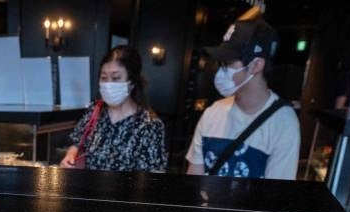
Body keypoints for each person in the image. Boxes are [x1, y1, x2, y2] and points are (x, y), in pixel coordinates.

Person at [186, 19, 299, 180]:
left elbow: (276, 198)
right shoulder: (212, 113)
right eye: (221, 63)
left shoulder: (283, 122)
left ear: (256, 65)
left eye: (229, 62)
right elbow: (193, 179)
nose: (220, 71)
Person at [60, 46, 166, 172]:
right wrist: (70, 155)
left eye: (116, 78)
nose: (108, 84)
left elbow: (154, 176)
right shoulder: (95, 110)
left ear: (131, 82)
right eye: (104, 78)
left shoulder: (149, 126)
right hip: (87, 189)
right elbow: (77, 142)